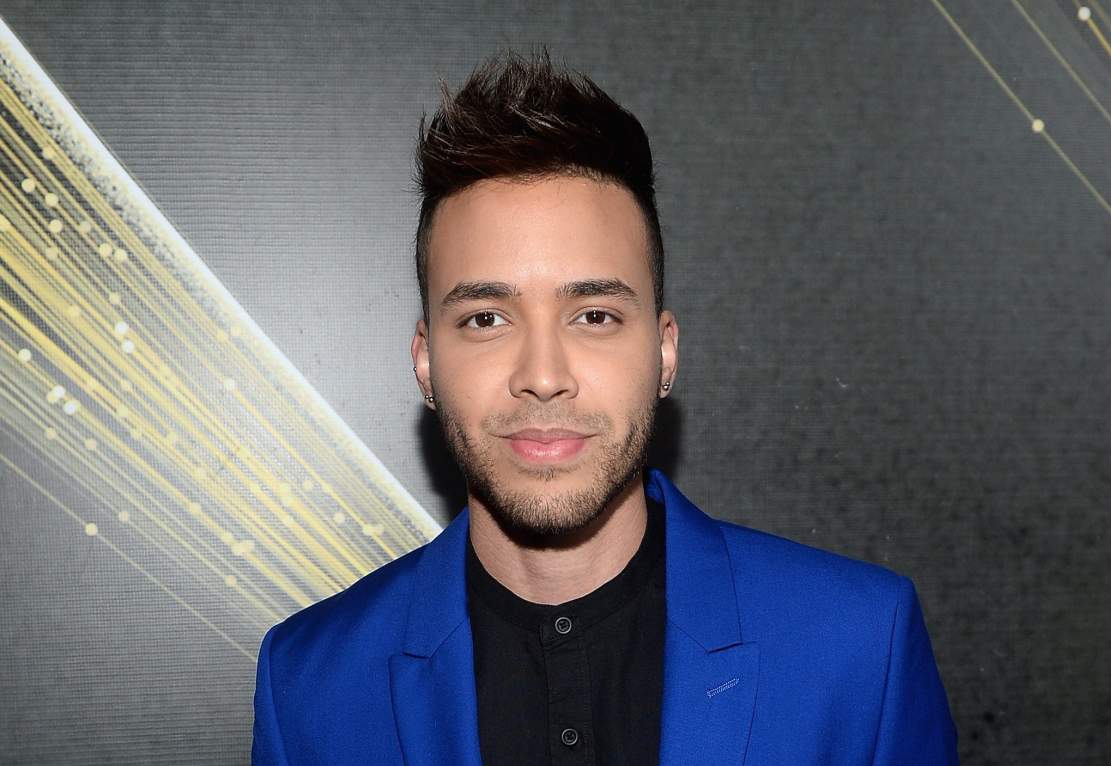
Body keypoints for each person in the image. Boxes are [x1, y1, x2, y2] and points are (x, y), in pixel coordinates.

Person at [251, 51, 958, 765]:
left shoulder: (860, 647)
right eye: (486, 319)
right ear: (426, 361)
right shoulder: (309, 682)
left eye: (594, 316)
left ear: (664, 353)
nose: (543, 377)